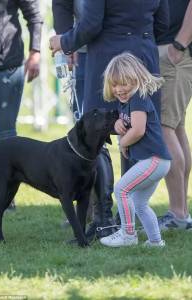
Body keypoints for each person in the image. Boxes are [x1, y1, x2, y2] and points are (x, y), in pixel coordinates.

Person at [50, 0, 169, 241]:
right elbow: (163, 22)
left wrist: (63, 42)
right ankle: (128, 215)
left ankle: (104, 218)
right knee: (137, 128)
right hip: (144, 54)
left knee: (97, 133)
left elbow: (91, 24)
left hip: (109, 57)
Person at [100, 53, 171, 247]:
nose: (119, 89)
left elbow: (138, 130)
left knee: (121, 189)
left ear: (137, 79)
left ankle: (128, 235)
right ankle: (156, 242)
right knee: (139, 204)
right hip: (154, 161)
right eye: (115, 85)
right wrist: (117, 126)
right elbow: (125, 124)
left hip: (154, 159)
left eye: (125, 83)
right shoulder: (125, 102)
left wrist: (123, 143)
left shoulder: (138, 98)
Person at [0, 0, 43, 209]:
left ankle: (5, 194)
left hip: (8, 65)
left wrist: (35, 51)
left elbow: (34, 15)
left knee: (5, 133)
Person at [156, 0, 192, 230]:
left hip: (174, 51)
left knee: (164, 126)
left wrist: (179, 44)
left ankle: (178, 214)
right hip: (171, 49)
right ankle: (181, 211)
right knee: (175, 127)